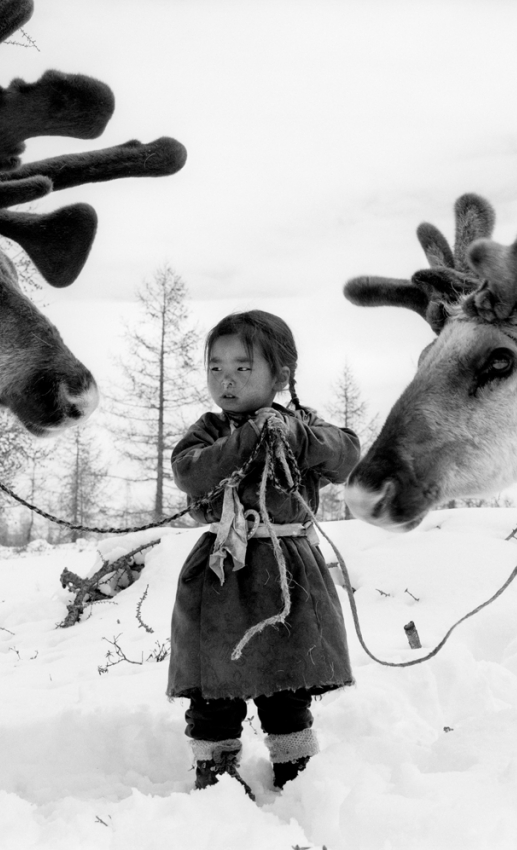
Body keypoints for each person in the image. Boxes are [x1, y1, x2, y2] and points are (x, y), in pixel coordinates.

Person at [167, 309, 360, 795]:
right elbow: (190, 472)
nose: (226, 381)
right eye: (216, 368)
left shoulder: (302, 426)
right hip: (221, 573)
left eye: (242, 368)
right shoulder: (210, 431)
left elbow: (347, 455)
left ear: (281, 376)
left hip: (288, 570)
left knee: (287, 681)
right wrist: (248, 439)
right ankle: (216, 773)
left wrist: (293, 435)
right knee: (215, 684)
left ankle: (296, 774)